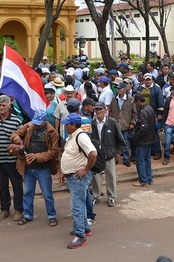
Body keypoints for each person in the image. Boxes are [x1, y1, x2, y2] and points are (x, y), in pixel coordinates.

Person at [10, 110, 59, 226]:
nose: (37, 125)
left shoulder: (52, 132)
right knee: (28, 192)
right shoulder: (29, 126)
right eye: (35, 122)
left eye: (39, 123)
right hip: (28, 167)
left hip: (43, 168)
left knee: (47, 193)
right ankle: (28, 215)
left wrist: (36, 157)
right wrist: (16, 138)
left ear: (45, 121)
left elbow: (53, 152)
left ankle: (52, 215)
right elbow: (14, 133)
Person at [0, 95, 24, 221]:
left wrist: (16, 145)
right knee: (2, 185)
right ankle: (4, 209)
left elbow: (21, 140)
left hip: (12, 160)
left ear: (9, 106)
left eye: (3, 105)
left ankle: (18, 209)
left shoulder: (16, 121)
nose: (1, 108)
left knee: (17, 185)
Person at [59, 113, 96, 249]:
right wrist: (64, 171)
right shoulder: (72, 137)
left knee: (77, 206)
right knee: (80, 202)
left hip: (78, 177)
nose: (64, 126)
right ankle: (84, 228)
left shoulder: (81, 137)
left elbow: (93, 153)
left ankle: (80, 236)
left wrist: (85, 170)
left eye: (67, 124)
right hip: (73, 176)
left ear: (73, 125)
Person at [90, 102, 125, 207]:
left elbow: (120, 139)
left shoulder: (112, 122)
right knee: (96, 177)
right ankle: (96, 196)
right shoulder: (92, 124)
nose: (99, 111)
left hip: (109, 155)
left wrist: (118, 152)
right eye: (96, 109)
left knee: (111, 177)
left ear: (105, 110)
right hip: (97, 156)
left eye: (101, 109)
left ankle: (111, 197)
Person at [108, 83, 138, 167]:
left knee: (125, 143)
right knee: (114, 143)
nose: (118, 90)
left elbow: (135, 114)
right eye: (117, 88)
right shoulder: (114, 100)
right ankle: (115, 159)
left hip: (126, 125)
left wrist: (132, 123)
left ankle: (126, 159)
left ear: (124, 90)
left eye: (120, 88)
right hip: (115, 124)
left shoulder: (130, 99)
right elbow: (110, 111)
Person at [132, 93, 157, 187]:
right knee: (147, 160)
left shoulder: (143, 111)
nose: (135, 104)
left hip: (143, 140)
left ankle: (143, 180)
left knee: (140, 161)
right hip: (150, 138)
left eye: (135, 102)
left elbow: (143, 128)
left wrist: (136, 137)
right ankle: (149, 179)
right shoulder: (149, 108)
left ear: (138, 101)